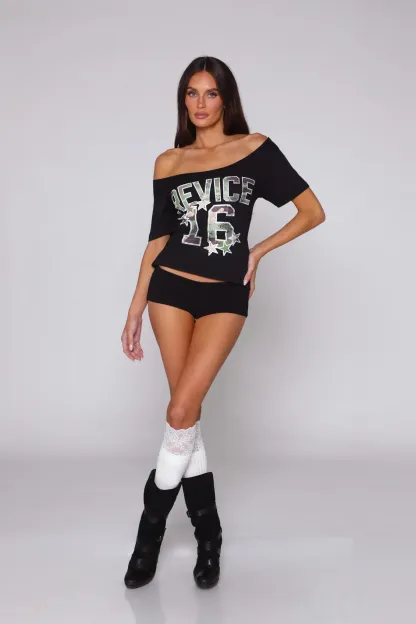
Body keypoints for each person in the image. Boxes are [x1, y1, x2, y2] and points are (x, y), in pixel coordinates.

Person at [121, 56, 325, 591]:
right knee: (185, 415)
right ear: (183, 101)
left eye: (210, 93)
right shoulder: (169, 161)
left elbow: (312, 211)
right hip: (169, 290)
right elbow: (157, 240)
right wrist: (135, 307)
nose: (200, 103)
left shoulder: (255, 148)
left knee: (180, 410)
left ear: (226, 99)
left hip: (224, 295)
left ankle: (149, 534)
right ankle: (208, 536)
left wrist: (258, 251)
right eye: (191, 93)